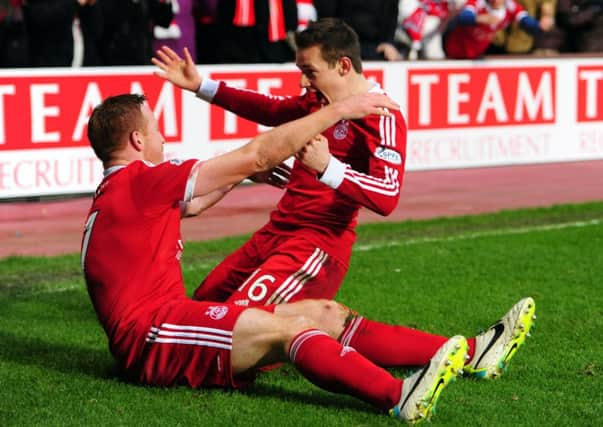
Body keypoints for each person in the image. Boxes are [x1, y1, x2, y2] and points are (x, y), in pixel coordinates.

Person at [82, 92, 536, 423]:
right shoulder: (141, 181)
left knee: (324, 312)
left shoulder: (123, 190)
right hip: (153, 337)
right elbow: (257, 151)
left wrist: (252, 173)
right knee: (289, 329)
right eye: (157, 128)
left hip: (162, 324)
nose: (164, 137)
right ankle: (399, 396)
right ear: (138, 139)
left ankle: (476, 354)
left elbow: (194, 204)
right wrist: (338, 110)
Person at [154, 18, 406, 309]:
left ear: (344, 66)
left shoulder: (382, 115)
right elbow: (269, 108)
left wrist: (327, 167)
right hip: (275, 233)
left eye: (310, 72)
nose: (302, 83)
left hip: (318, 244)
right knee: (200, 306)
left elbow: (387, 196)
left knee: (236, 324)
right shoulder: (319, 102)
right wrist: (201, 86)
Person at [443, 0, 553, 59]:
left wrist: (540, 26)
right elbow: (462, 18)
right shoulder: (478, 3)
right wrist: (479, 19)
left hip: (476, 56)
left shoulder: (510, 6)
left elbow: (526, 21)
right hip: (453, 53)